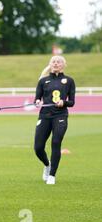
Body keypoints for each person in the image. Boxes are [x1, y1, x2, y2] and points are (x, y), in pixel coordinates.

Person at [34, 55, 75, 185]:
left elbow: (72, 102)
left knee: (56, 142)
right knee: (38, 148)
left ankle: (52, 175)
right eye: (53, 61)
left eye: (59, 62)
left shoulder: (69, 81)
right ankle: (47, 165)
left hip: (60, 116)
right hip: (44, 115)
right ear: (50, 64)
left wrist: (64, 102)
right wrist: (37, 102)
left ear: (63, 65)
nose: (56, 63)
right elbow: (37, 98)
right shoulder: (43, 81)